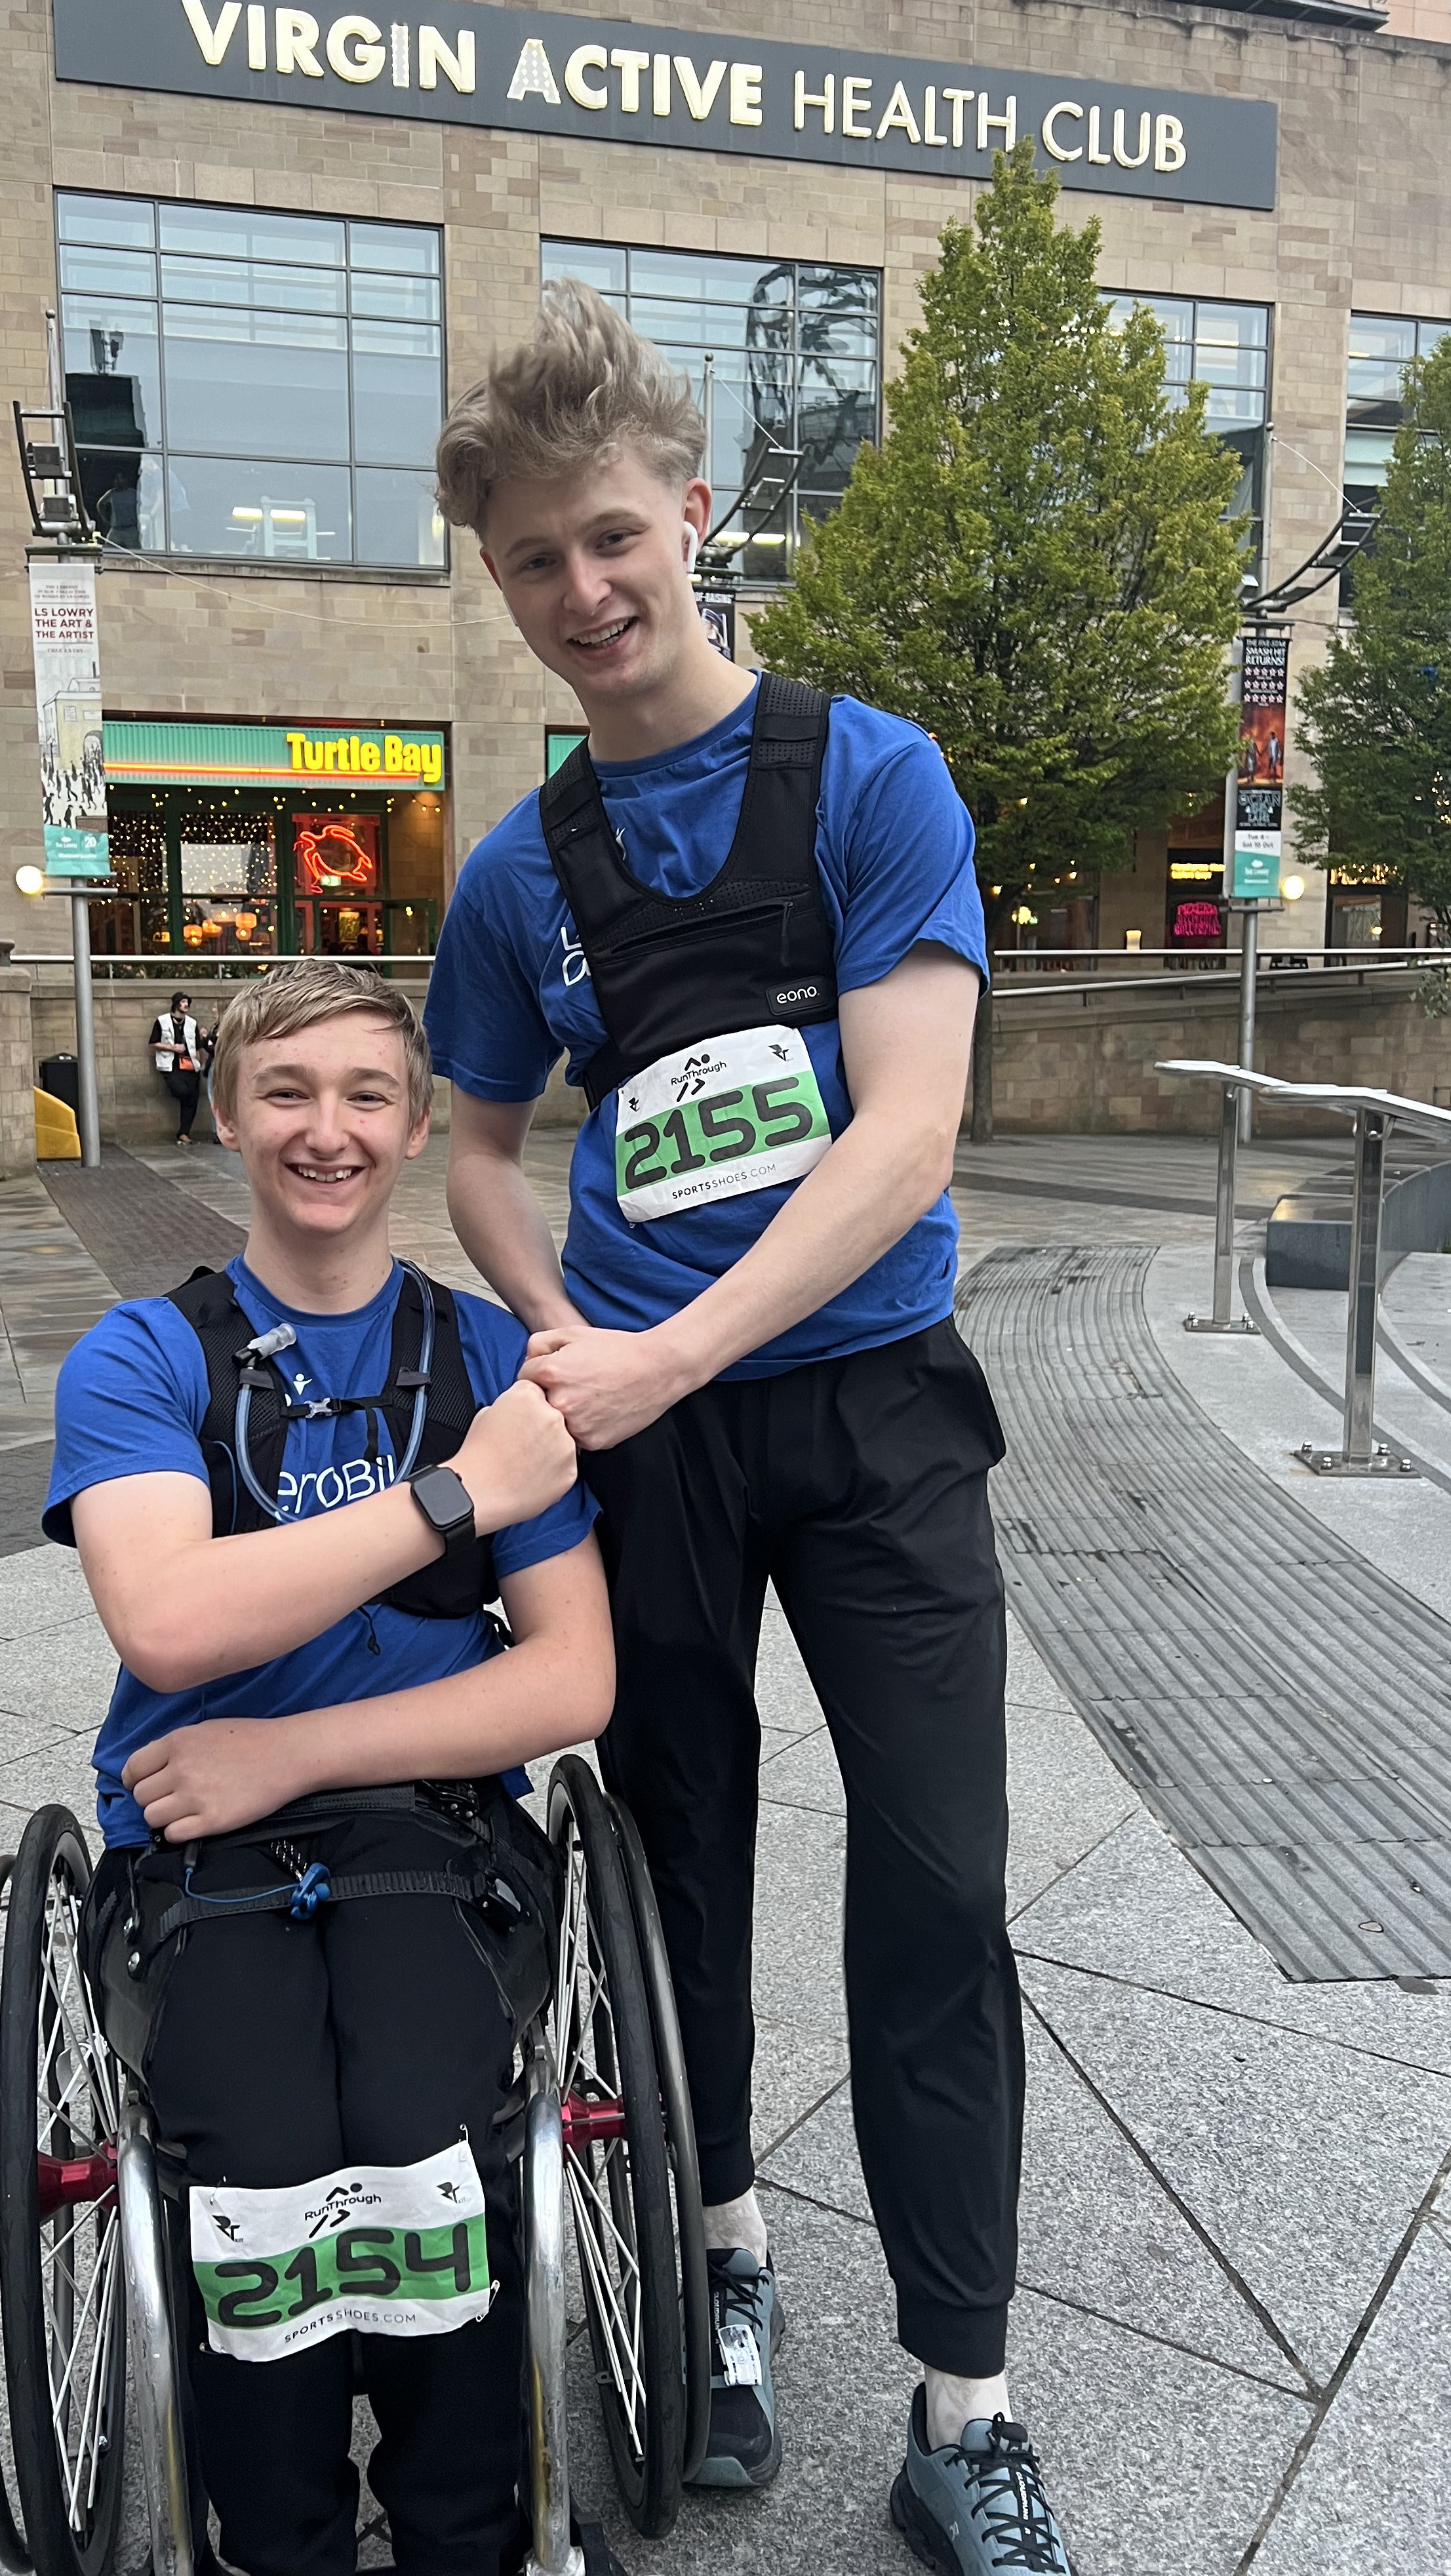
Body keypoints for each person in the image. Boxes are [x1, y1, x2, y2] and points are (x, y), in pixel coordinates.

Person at [422, 281, 1073, 2574]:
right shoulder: (515, 875)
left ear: (693, 512)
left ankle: (964, 2401)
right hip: (653, 1449)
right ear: (496, 583)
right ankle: (721, 2274)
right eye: (531, 563)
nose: (583, 594)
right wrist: (561, 1322)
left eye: (610, 537)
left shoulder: (869, 774)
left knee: (935, 1887)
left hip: (872, 1412)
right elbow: (480, 1141)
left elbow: (905, 1136)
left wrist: (680, 1348)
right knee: (677, 1857)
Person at [44, 960, 612, 2576]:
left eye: (367, 1095)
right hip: (194, 1847)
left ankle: (463, 2533)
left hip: (421, 1820)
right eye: (285, 1093)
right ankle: (275, 2540)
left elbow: (575, 1676)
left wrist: (291, 1744)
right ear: (224, 1115)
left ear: (420, 1125)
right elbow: (166, 1622)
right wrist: (454, 1500)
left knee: (432, 2118)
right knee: (260, 2134)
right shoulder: (145, 1358)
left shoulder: (490, 1354)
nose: (327, 1130)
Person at [149, 988, 212, 1145]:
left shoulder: (192, 1023)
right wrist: (173, 1048)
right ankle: (183, 1132)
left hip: (190, 1066)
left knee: (192, 1099)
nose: (186, 1005)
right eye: (183, 1002)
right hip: (171, 1065)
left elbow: (197, 1047)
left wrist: (198, 1065)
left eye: (188, 1003)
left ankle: (184, 1133)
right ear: (176, 1004)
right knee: (181, 1091)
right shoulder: (162, 1021)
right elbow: (153, 1043)